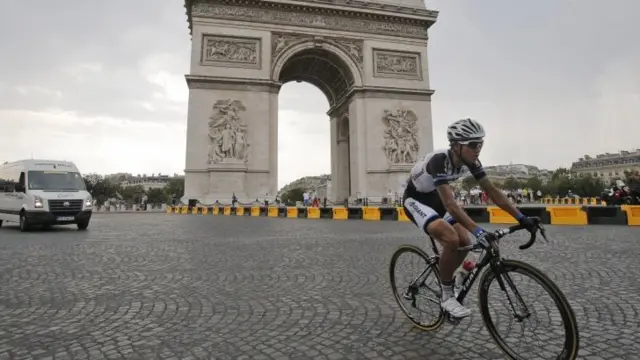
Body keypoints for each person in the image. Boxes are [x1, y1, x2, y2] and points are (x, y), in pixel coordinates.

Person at [402, 118, 536, 318]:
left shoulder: (471, 161)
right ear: (456, 146)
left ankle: (451, 274)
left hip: (438, 199)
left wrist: (521, 217)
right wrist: (479, 231)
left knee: (464, 241)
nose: (478, 149)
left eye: (480, 144)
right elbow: (451, 205)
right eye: (473, 145)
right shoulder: (438, 161)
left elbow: (493, 191)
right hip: (417, 200)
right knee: (451, 239)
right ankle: (446, 296)